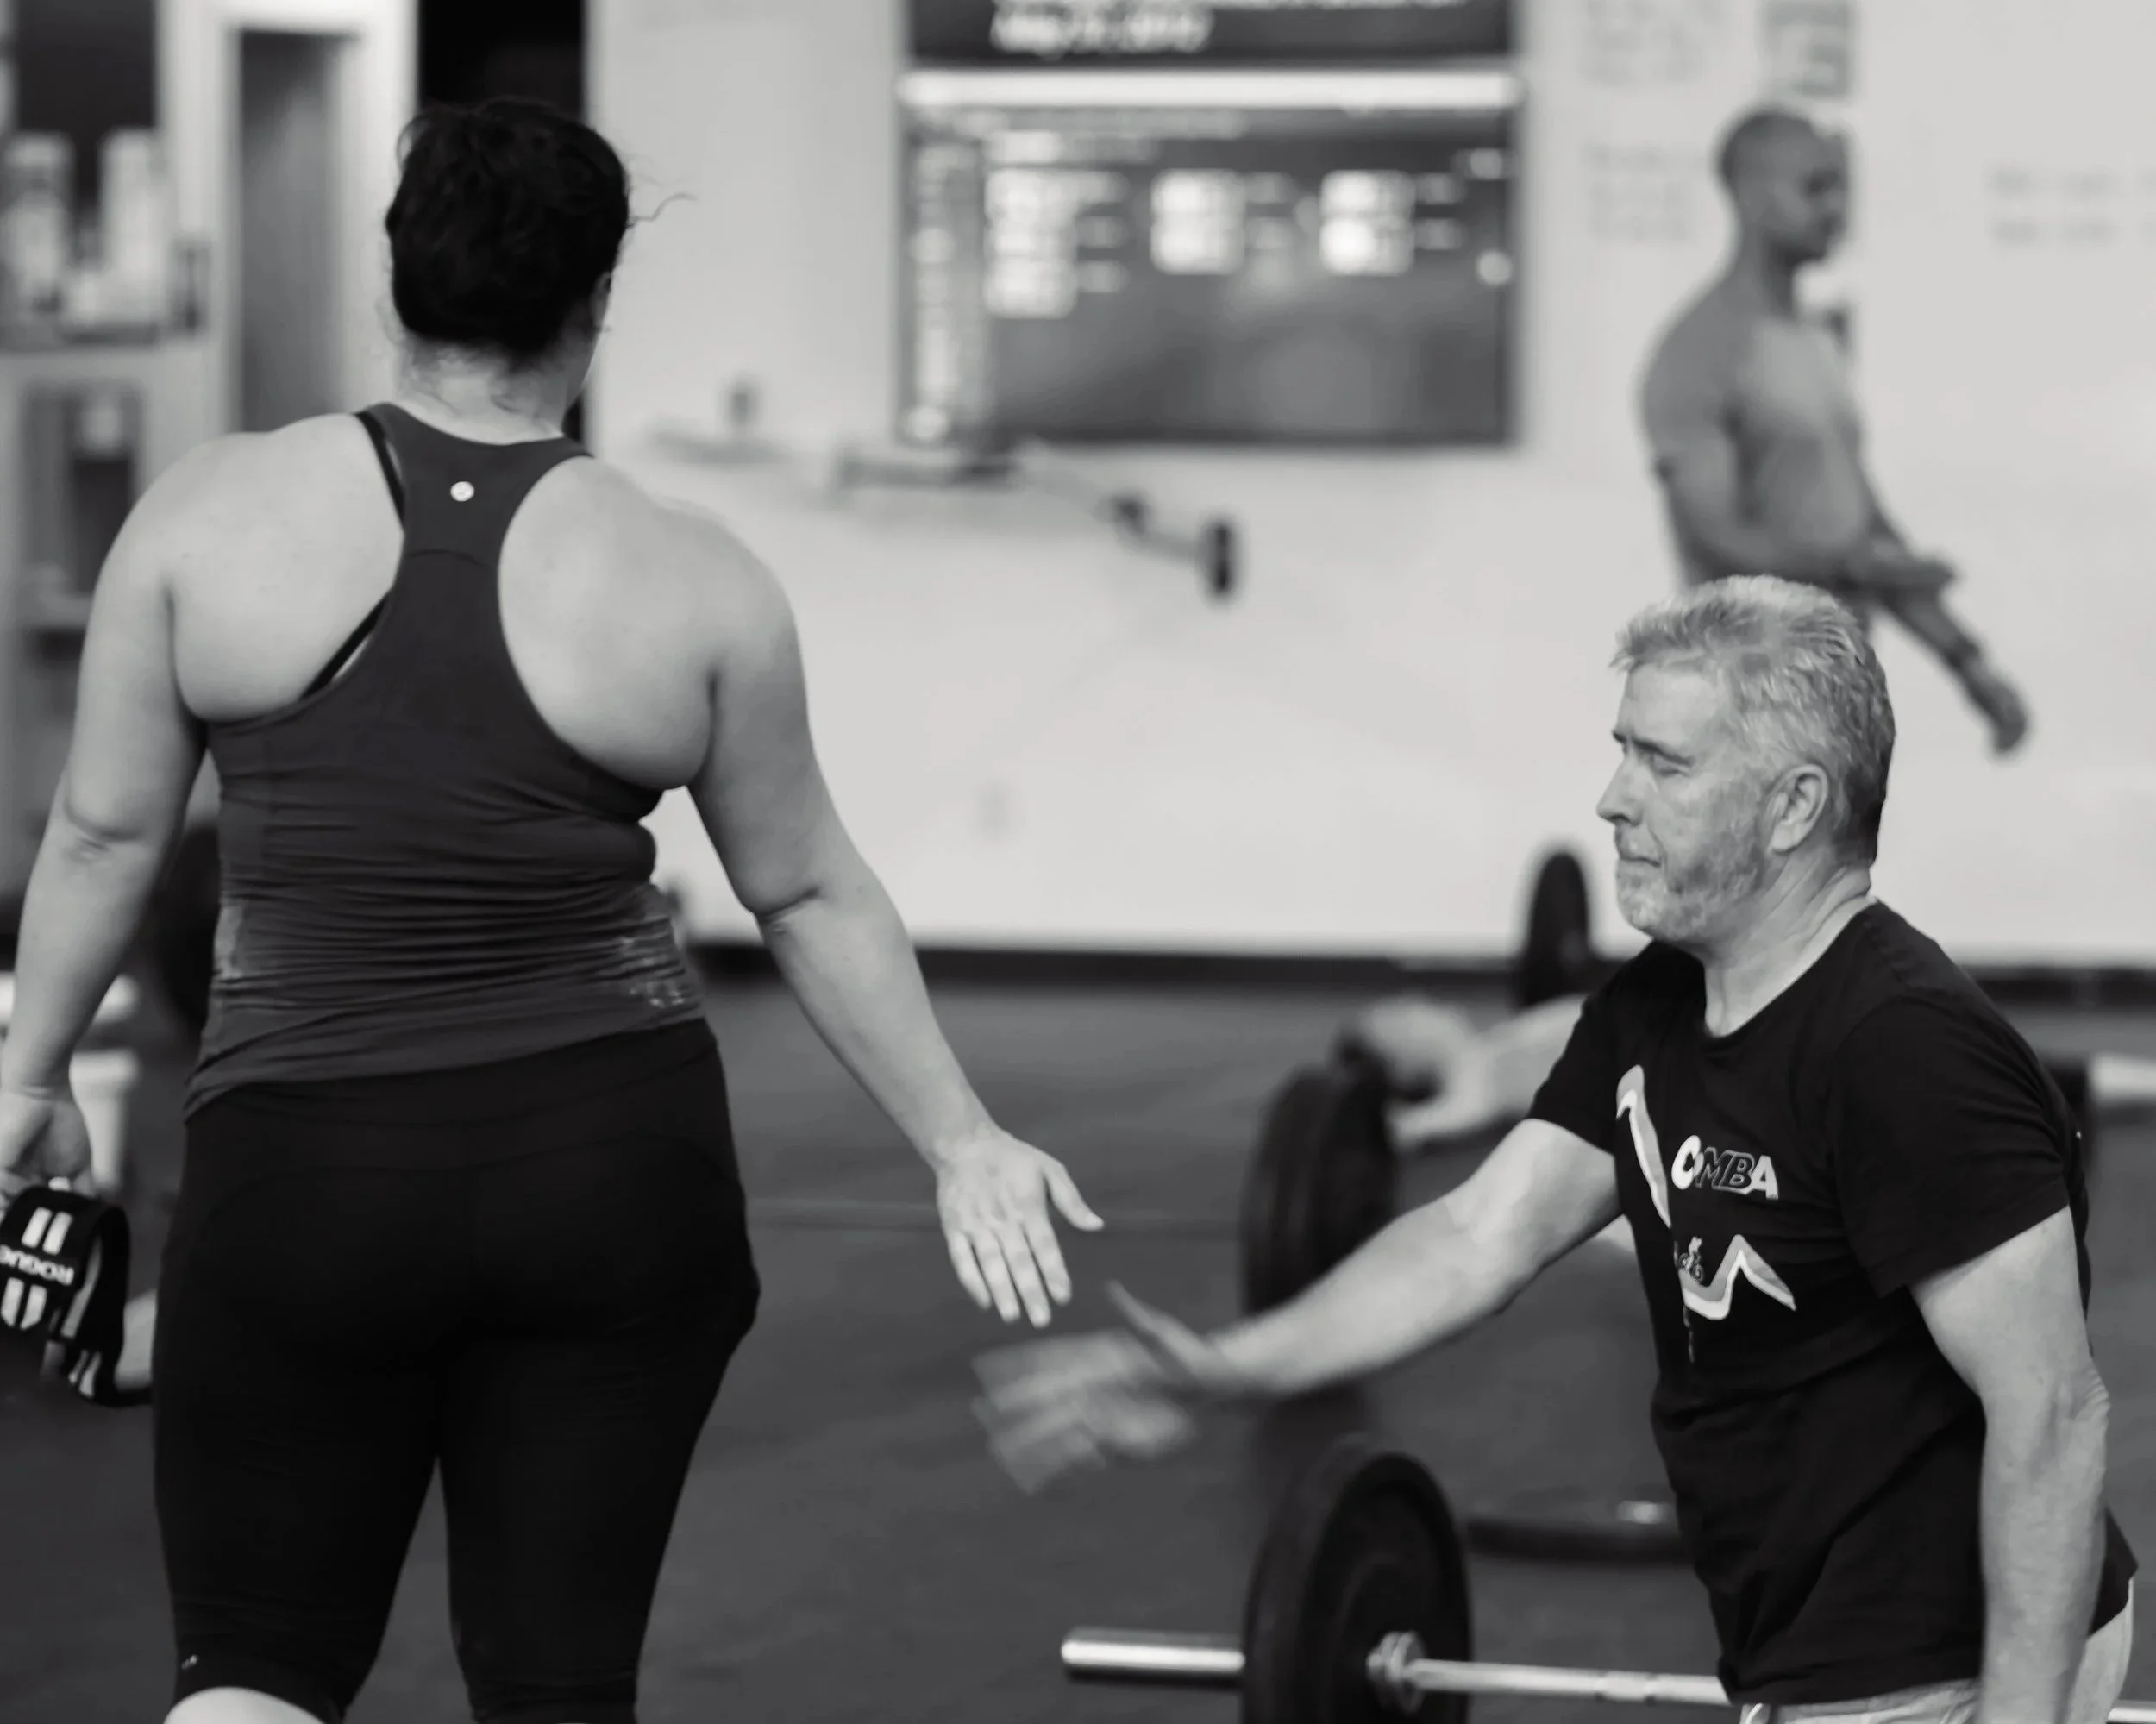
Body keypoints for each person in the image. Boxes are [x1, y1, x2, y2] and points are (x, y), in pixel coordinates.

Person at [0, 97, 1100, 1724]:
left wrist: (28, 1074)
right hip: (611, 1173)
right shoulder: (695, 575)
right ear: (594, 306)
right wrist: (962, 1137)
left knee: (254, 1667)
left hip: (307, 1175)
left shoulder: (208, 515)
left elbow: (101, 832)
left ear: (394, 280)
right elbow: (805, 885)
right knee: (556, 1687)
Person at [975, 577, 2134, 1724]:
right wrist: (1230, 1368)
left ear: (1793, 806)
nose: (1612, 799)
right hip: (1808, 1647)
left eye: (1665, 765)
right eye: (1622, 751)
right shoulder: (1658, 1004)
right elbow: (1474, 1236)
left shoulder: (1904, 1049)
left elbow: (2052, 1416)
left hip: (1941, 1664)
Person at [1640, 107, 2031, 755]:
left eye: (1841, 188)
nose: (1837, 209)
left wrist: (1968, 662)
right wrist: (1847, 565)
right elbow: (1717, 535)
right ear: (1751, 196)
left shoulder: (1815, 343)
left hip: (1829, 706)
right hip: (1744, 717)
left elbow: (1865, 529)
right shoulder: (1699, 351)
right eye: (1816, 187)